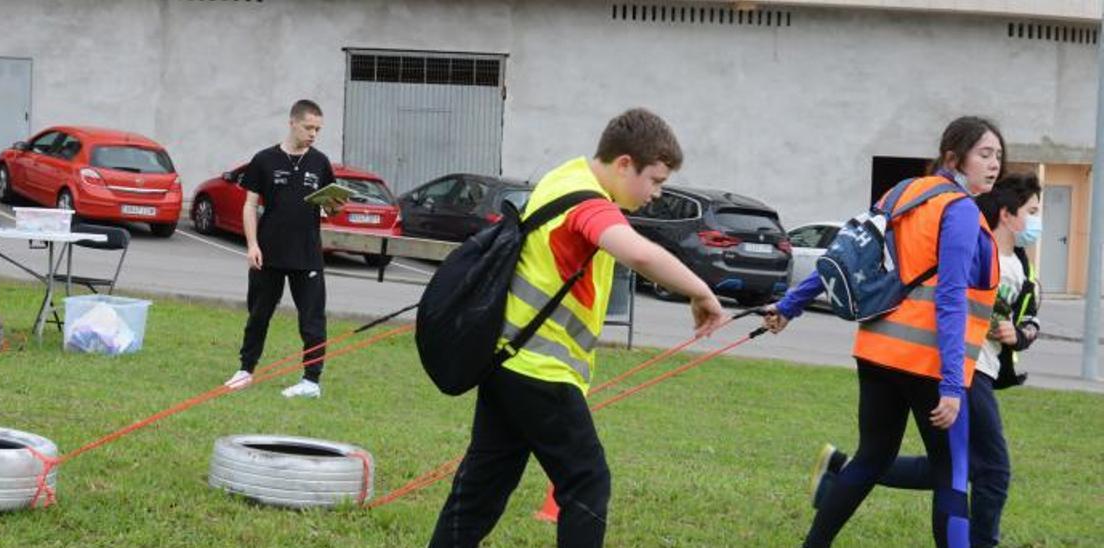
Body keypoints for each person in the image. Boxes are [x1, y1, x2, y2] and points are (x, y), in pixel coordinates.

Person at [428, 108, 726, 547]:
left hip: (506, 362)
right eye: (655, 180)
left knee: (481, 490)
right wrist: (701, 291)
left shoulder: (563, 175)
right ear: (624, 164)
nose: (657, 193)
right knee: (587, 483)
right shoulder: (589, 203)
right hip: (541, 373)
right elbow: (638, 254)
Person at [764, 116, 1004, 547]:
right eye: (984, 154)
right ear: (954, 157)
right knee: (953, 473)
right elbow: (950, 298)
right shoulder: (961, 210)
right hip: (929, 362)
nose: (994, 165)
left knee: (872, 458)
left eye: (998, 156)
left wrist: (790, 305)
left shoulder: (901, 191)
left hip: (876, 351)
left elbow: (847, 254)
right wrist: (952, 384)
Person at [808, 173, 1042, 548]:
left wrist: (1024, 332)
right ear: (1007, 213)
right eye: (1031, 212)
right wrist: (951, 383)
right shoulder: (964, 227)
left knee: (928, 464)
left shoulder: (1020, 264)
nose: (1035, 221)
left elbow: (1029, 316)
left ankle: (840, 469)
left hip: (958, 365)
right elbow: (948, 300)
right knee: (980, 471)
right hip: (962, 368)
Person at [224, 99, 342, 398]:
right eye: (308, 127)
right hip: (269, 253)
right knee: (259, 314)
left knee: (312, 320)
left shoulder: (321, 162)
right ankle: (245, 370)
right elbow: (250, 206)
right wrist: (252, 245)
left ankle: (311, 381)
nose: (313, 134)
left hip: (308, 255)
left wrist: (335, 205)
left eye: (318, 129)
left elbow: (331, 210)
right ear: (292, 123)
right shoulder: (264, 159)